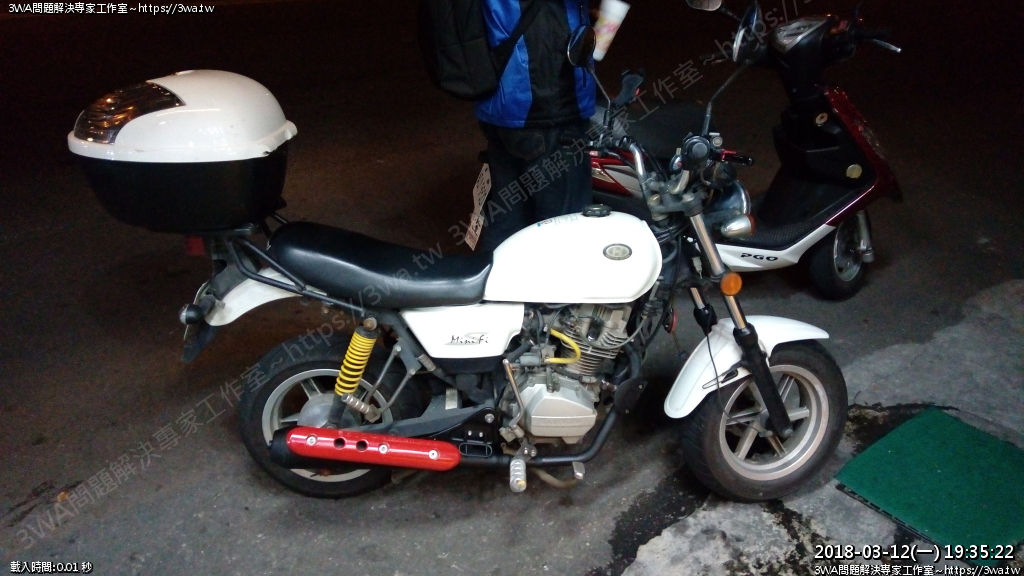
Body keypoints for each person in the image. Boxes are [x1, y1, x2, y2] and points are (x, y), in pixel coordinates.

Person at [476, 0, 596, 252]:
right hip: (548, 106)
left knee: (507, 222)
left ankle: (494, 275)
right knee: (563, 230)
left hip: (501, 103)